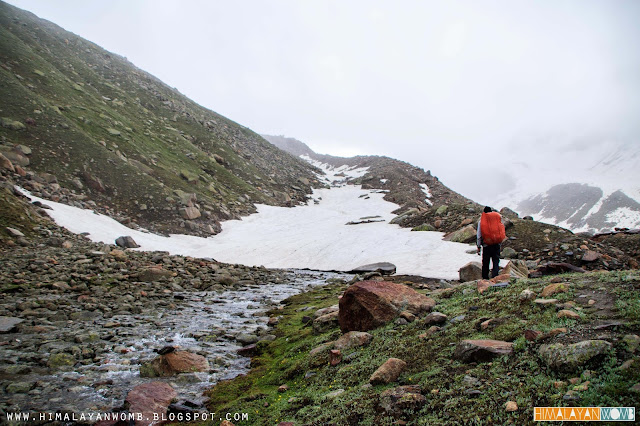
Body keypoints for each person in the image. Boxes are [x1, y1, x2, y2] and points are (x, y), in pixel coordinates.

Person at [476, 206, 506, 279]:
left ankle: (485, 278)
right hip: (496, 244)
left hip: (487, 245)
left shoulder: (481, 221)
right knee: (496, 261)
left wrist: (478, 246)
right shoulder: (497, 219)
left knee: (486, 262)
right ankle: (495, 277)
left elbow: (479, 235)